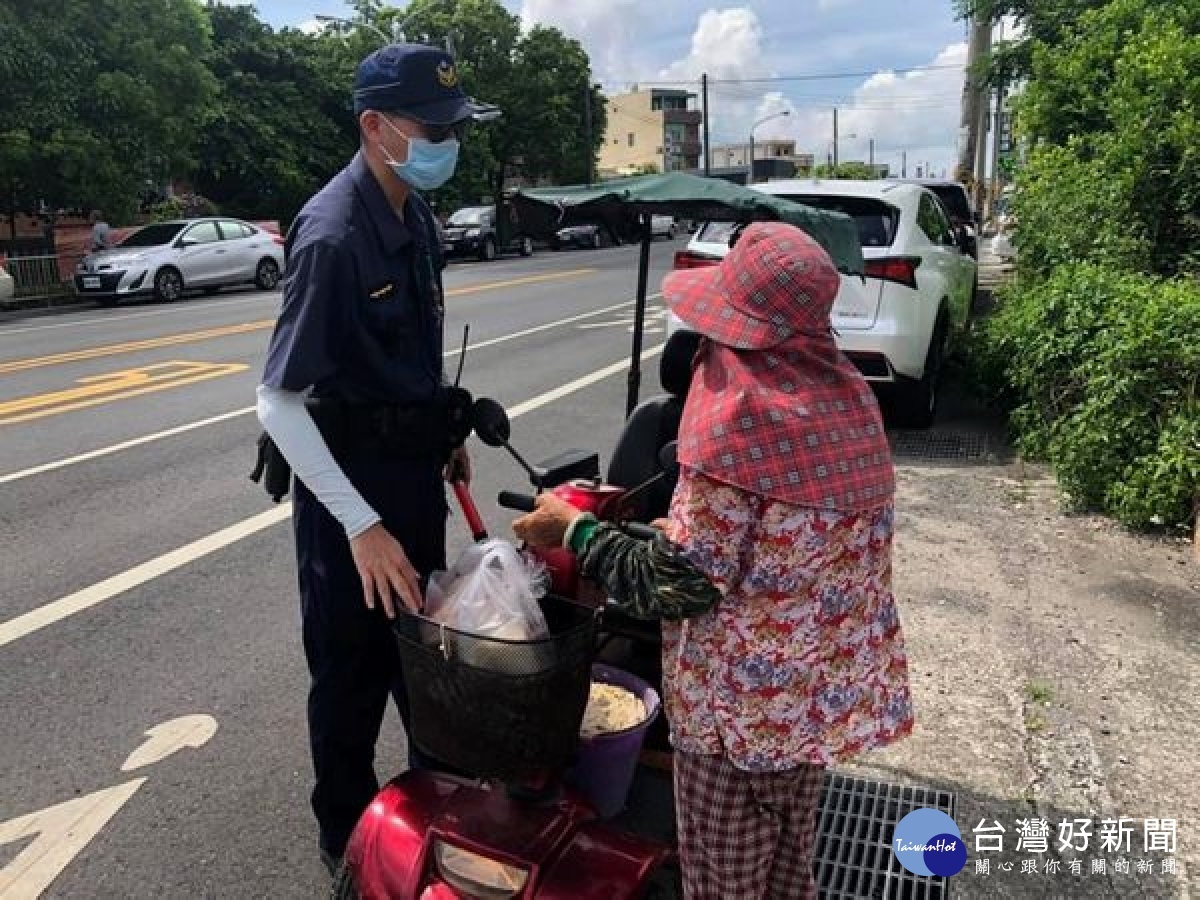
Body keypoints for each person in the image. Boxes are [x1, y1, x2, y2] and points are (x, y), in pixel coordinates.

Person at [513, 222, 915, 900]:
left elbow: (679, 587)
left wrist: (574, 529)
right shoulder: (851, 408)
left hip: (735, 722)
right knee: (790, 874)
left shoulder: (737, 425)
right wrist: (690, 533)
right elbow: (793, 547)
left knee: (724, 885)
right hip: (813, 709)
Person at [255, 43, 492, 875]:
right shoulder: (331, 236)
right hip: (348, 505)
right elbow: (277, 402)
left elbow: (407, 353)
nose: (447, 144)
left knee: (425, 668)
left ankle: (433, 834)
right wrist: (360, 527)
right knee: (350, 687)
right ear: (374, 126)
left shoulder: (415, 215)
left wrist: (444, 432)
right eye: (433, 129)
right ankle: (349, 854)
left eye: (453, 128)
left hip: (412, 479)